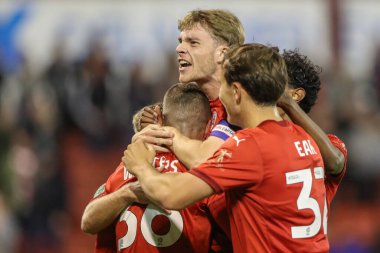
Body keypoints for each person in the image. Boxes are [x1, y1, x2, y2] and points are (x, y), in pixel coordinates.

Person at [123, 43, 345, 252]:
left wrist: (141, 165)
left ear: (237, 92)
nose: (220, 96)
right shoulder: (305, 140)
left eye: (225, 85)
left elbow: (172, 194)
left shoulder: (251, 146)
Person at [81, 83, 232, 252]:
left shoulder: (133, 162)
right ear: (208, 128)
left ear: (160, 120)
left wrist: (127, 193)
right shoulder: (201, 177)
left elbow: (88, 221)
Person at [133, 9, 245, 168]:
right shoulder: (195, 102)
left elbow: (206, 162)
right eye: (181, 41)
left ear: (222, 54)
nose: (179, 48)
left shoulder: (242, 104)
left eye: (193, 42)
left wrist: (165, 132)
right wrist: (151, 128)